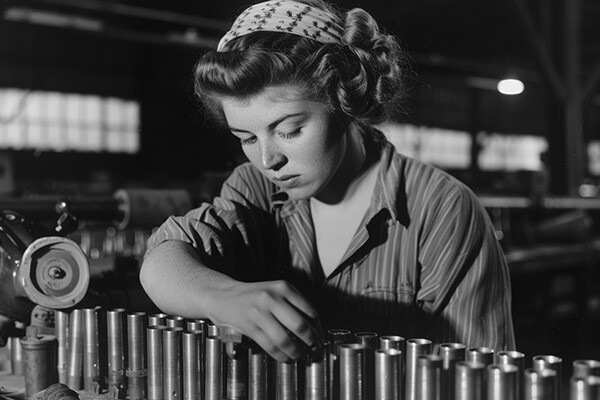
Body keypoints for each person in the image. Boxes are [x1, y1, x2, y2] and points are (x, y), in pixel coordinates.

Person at [140, 0, 515, 362]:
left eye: (289, 130)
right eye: (248, 138)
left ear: (344, 103)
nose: (269, 160)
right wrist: (218, 296)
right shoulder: (256, 188)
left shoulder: (441, 210)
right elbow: (163, 257)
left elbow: (478, 377)